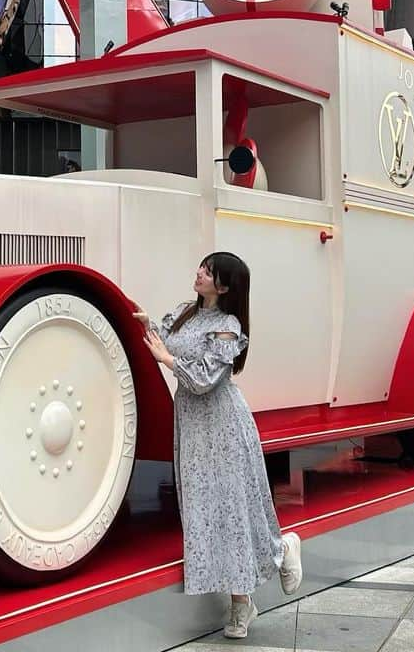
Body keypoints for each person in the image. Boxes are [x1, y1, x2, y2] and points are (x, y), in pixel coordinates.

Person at [134, 252, 302, 640]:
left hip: (223, 423)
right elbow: (166, 339)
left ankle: (243, 601)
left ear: (224, 286)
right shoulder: (183, 312)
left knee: (231, 509)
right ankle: (275, 555)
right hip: (192, 425)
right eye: (202, 266)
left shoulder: (228, 326)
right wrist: (149, 326)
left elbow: (206, 378)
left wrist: (167, 360)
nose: (199, 272)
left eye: (208, 271)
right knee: (204, 509)